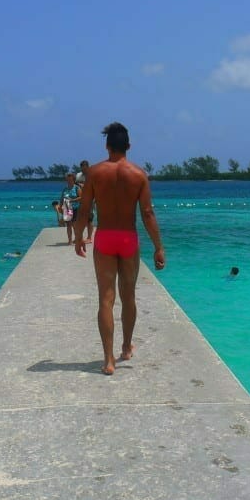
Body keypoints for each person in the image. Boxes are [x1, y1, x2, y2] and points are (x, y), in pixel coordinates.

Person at [74, 122, 165, 375]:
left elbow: (84, 210)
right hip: (128, 238)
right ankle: (126, 348)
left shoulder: (94, 173)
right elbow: (147, 213)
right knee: (129, 296)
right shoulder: (138, 175)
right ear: (129, 146)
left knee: (106, 298)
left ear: (107, 146)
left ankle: (108, 360)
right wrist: (158, 247)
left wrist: (80, 237)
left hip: (104, 237)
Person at [76, 160, 95, 243]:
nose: (83, 170)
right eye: (82, 168)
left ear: (88, 167)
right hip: (80, 199)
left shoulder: (92, 175)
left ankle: (89, 237)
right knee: (79, 219)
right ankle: (79, 237)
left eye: (85, 168)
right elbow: (76, 185)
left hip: (90, 199)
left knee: (89, 219)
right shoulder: (78, 175)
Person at [59, 172, 81, 244]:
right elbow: (62, 198)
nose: (68, 181)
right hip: (67, 208)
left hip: (75, 208)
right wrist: (60, 206)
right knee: (68, 225)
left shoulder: (76, 188)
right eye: (67, 180)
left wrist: (72, 200)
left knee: (74, 225)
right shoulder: (65, 189)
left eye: (70, 180)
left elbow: (81, 197)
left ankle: (77, 238)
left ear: (73, 180)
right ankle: (70, 240)